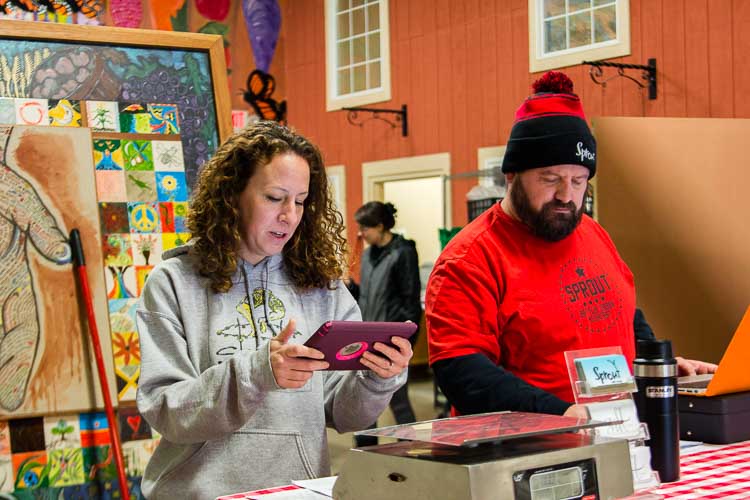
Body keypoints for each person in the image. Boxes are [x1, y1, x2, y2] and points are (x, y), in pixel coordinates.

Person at [136, 121, 413, 499]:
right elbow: (168, 411)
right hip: (200, 492)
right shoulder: (174, 282)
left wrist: (378, 377)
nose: (289, 215)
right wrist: (257, 372)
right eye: (274, 197)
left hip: (295, 490)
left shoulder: (323, 287)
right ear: (232, 195)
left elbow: (346, 415)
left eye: (300, 201)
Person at [425, 71, 716, 419]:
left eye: (578, 181)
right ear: (512, 176)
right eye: (550, 179)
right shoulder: (469, 259)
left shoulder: (592, 233)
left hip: (617, 431)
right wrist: (563, 413)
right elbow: (463, 374)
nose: (566, 195)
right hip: (524, 449)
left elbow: (622, 316)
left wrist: (659, 366)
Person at [351, 202, 422, 446]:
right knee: (362, 400)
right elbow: (368, 295)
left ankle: (412, 451)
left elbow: (409, 301)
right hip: (366, 338)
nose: (361, 233)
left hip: (392, 342)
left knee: (398, 400)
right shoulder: (369, 254)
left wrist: (404, 343)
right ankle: (365, 454)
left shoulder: (403, 252)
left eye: (365, 228)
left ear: (380, 226)